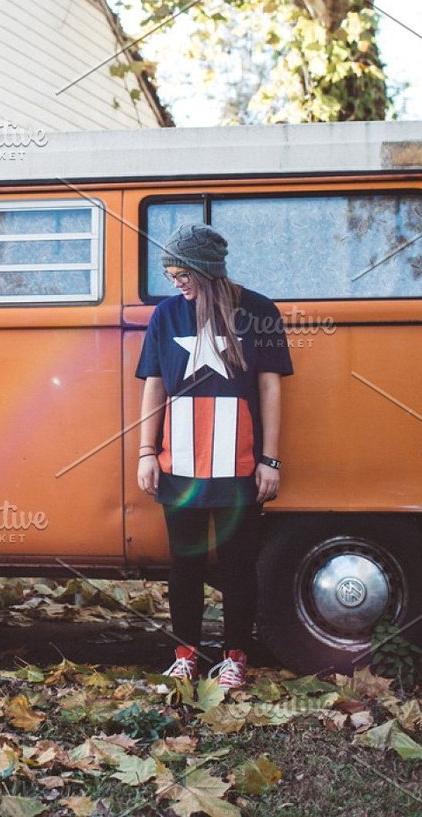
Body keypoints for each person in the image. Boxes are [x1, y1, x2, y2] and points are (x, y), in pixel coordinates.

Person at [134, 224, 292, 691]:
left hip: (239, 464)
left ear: (206, 270)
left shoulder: (259, 311)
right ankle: (185, 655)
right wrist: (146, 452)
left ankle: (235, 659)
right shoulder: (166, 315)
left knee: (237, 564)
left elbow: (270, 386)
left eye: (181, 272)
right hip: (179, 461)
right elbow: (153, 385)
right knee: (185, 563)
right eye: (169, 272)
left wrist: (271, 459)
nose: (175, 281)